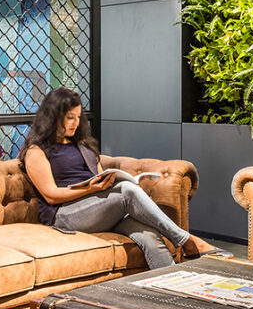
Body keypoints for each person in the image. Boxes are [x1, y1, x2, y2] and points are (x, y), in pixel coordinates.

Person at [19, 86, 231, 270]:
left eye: (78, 117)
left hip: (97, 209)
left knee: (149, 236)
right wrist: (92, 189)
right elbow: (51, 196)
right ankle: (188, 240)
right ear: (54, 116)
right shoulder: (37, 151)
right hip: (64, 215)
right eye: (69, 117)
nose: (75, 123)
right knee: (128, 193)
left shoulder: (82, 145)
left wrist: (107, 182)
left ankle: (172, 286)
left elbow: (97, 175)